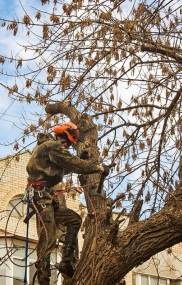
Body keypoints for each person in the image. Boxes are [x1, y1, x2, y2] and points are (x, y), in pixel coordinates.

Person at [25, 121, 107, 285]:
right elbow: (72, 164)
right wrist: (98, 168)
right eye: (68, 143)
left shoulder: (51, 150)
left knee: (74, 220)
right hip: (39, 195)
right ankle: (43, 278)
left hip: (46, 196)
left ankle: (67, 261)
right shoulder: (51, 146)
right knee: (48, 236)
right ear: (64, 137)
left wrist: (78, 160)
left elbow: (63, 167)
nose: (68, 146)